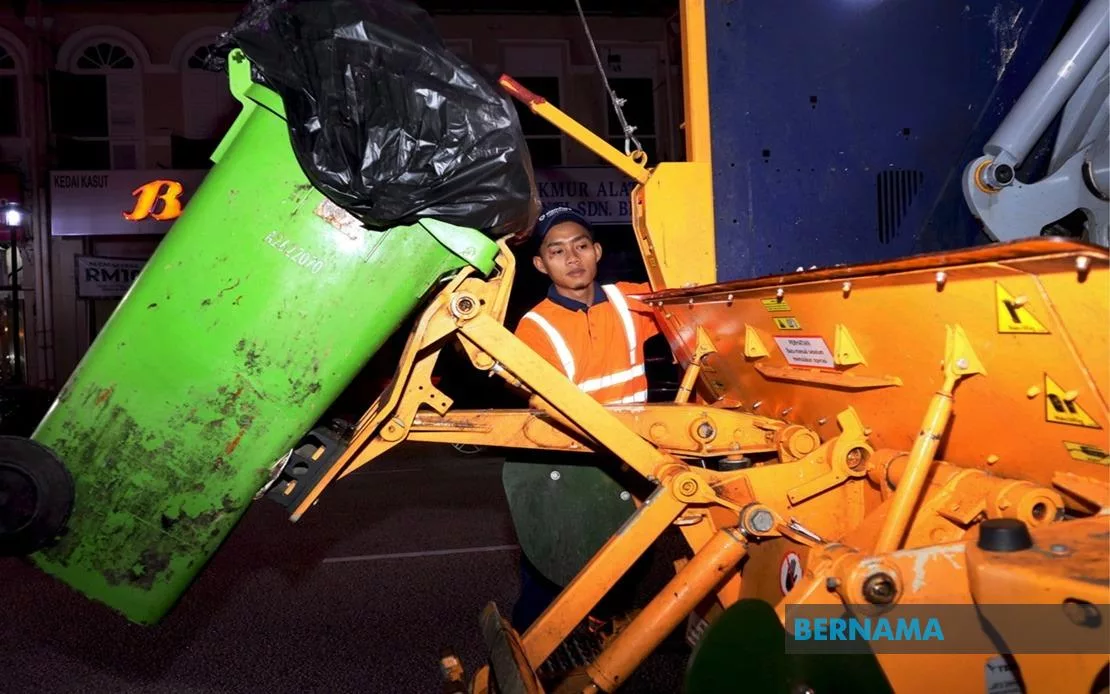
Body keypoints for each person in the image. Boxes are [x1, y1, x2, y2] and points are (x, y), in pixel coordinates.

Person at [504, 206, 662, 636]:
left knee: (633, 558)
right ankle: (530, 650)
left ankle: (600, 623)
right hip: (574, 469)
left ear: (597, 251)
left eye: (580, 247)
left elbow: (688, 299)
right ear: (541, 264)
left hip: (635, 465)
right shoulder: (535, 327)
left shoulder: (631, 301)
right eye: (557, 251)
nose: (572, 259)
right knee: (551, 565)